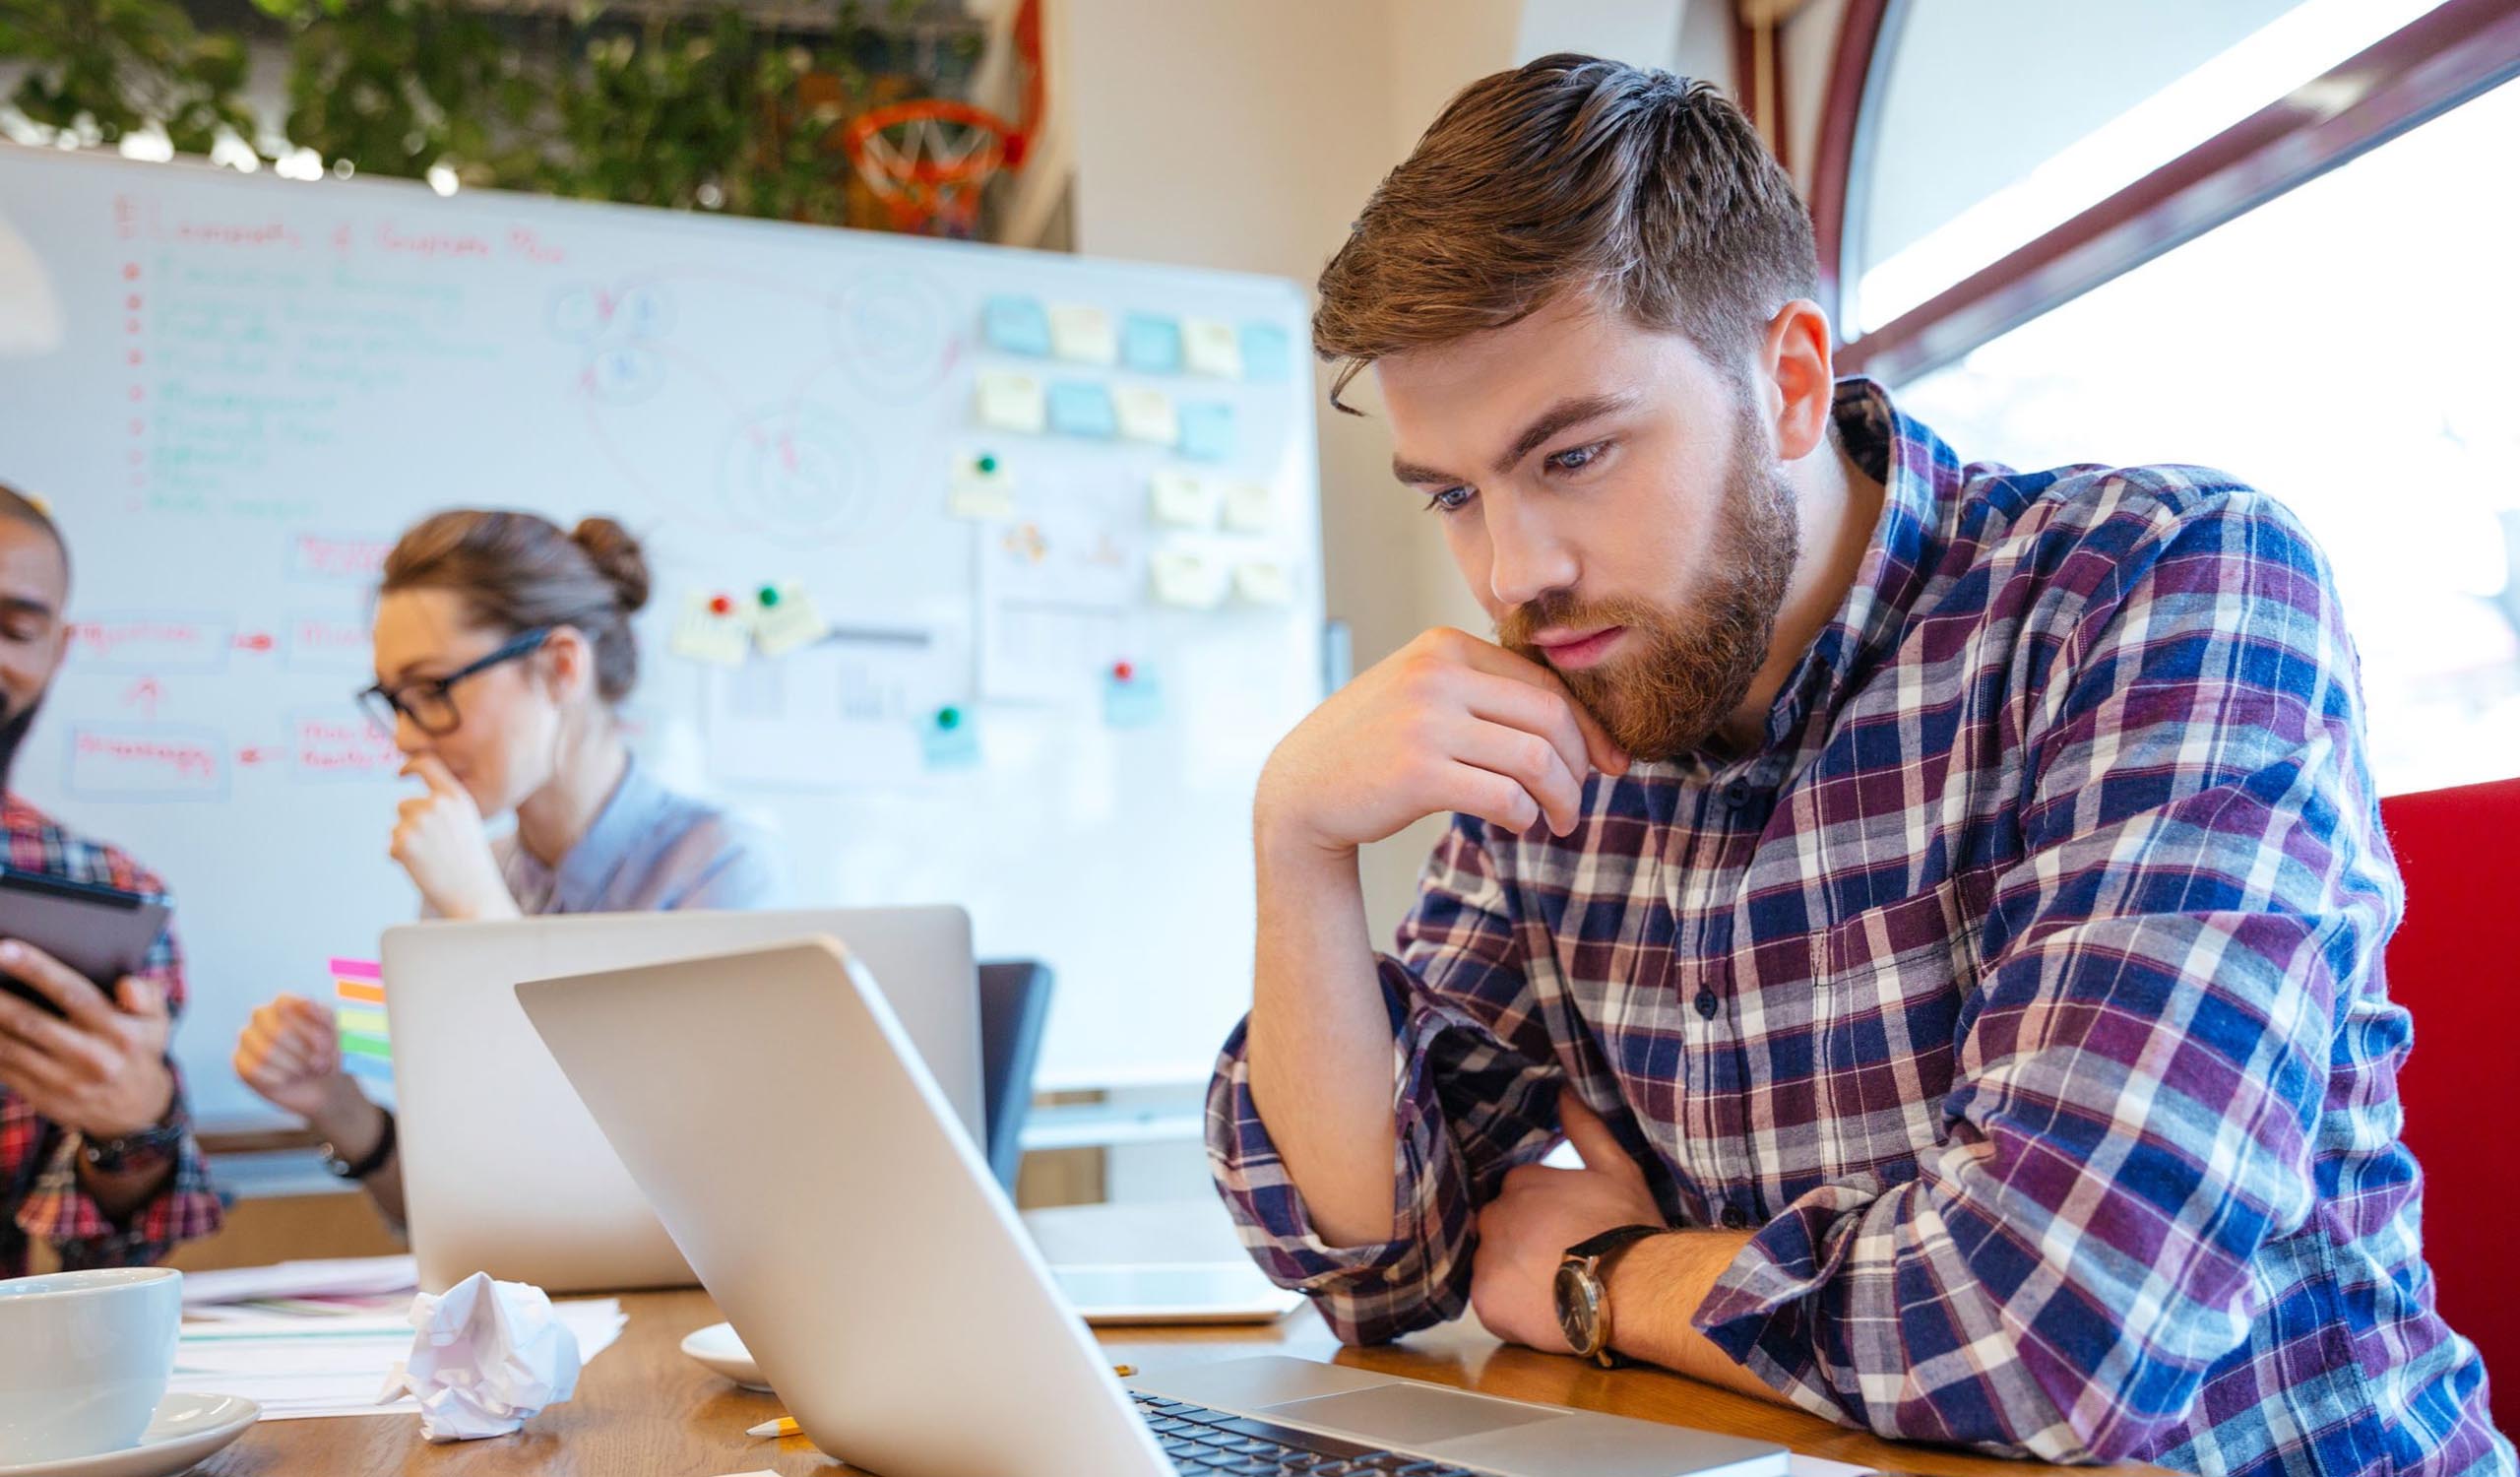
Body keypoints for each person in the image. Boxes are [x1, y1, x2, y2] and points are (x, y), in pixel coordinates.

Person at [1207, 56, 2508, 1475]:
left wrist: (1608, 1281)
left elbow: (2052, 1341)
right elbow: (1375, 1259)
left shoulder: (2157, 592)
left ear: (1787, 381)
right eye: (1456, 495)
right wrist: (1298, 844)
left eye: (1573, 456)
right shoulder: (1574, 689)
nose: (1516, 573)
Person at [233, 509, 785, 1222]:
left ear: (560, 667)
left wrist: (482, 918)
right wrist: (337, 1106)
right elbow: (456, 1211)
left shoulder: (721, 867)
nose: (405, 741)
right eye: (393, 703)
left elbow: (673, 1201)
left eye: (432, 691)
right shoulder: (472, 877)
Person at [0, 483, 222, 1274]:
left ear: (55, 651)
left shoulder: (99, 894)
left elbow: (116, 1257)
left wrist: (131, 1124)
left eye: (15, 627)